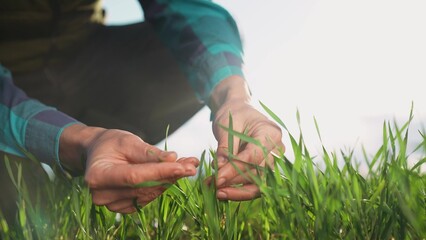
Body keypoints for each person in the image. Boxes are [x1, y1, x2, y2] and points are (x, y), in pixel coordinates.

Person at [0, 0, 284, 217]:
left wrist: (233, 96)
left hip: (82, 54)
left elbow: (187, 9)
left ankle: (102, 167)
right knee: (19, 211)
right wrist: (80, 142)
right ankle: (63, 161)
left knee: (193, 60)